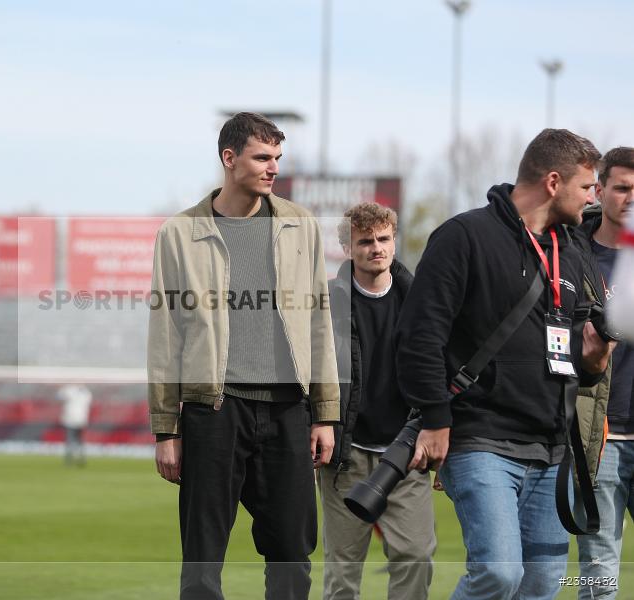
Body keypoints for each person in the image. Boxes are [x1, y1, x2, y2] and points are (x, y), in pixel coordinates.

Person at [395, 129, 615, 600]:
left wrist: (593, 361)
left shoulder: (572, 251)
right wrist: (434, 418)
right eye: (586, 186)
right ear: (553, 182)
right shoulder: (464, 235)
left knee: (541, 584)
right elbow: (419, 336)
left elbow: (575, 357)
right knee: (499, 574)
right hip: (480, 438)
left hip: (553, 447)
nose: (593, 197)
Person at [148, 112, 339, 600]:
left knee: (294, 556)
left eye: (277, 158)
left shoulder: (301, 225)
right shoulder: (178, 233)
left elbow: (319, 323)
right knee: (202, 560)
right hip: (213, 411)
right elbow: (166, 334)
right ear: (229, 159)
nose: (272, 168)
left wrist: (325, 414)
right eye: (261, 157)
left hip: (288, 411)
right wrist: (166, 429)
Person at [319, 202, 435, 600]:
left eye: (384, 239)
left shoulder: (422, 301)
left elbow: (441, 370)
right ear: (348, 248)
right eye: (364, 241)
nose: (376, 248)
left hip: (406, 454)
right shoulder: (326, 302)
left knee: (416, 556)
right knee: (342, 571)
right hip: (345, 456)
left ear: (394, 240)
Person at [574, 146, 634, 599]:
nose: (631, 198)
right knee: (598, 570)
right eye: (623, 188)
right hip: (600, 435)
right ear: (600, 190)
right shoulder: (571, 253)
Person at [58, 383, 93, 466]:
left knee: (72, 440)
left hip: (74, 419)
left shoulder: (71, 391)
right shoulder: (86, 393)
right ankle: (78, 458)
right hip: (77, 419)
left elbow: (60, 396)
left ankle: (72, 458)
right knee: (77, 440)